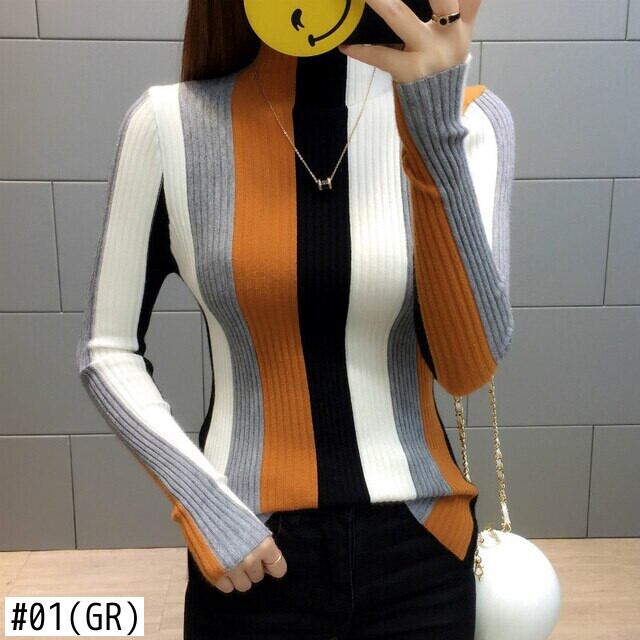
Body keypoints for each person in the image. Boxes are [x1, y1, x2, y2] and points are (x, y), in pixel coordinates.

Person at [75, 0, 515, 637]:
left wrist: (431, 124)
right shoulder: (168, 125)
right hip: (249, 554)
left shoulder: (470, 120)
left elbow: (467, 366)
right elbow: (106, 350)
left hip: (422, 551)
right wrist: (204, 505)